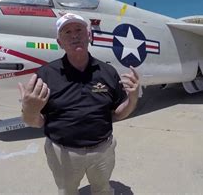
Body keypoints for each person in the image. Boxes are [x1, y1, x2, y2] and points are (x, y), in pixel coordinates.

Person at [19, 13, 140, 195]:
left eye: (79, 30)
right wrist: (29, 109)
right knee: (67, 191)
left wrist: (133, 99)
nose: (74, 35)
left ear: (88, 36)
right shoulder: (46, 75)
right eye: (67, 32)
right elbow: (36, 122)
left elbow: (117, 114)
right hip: (63, 153)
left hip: (103, 150)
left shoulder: (107, 72)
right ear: (59, 42)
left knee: (102, 190)